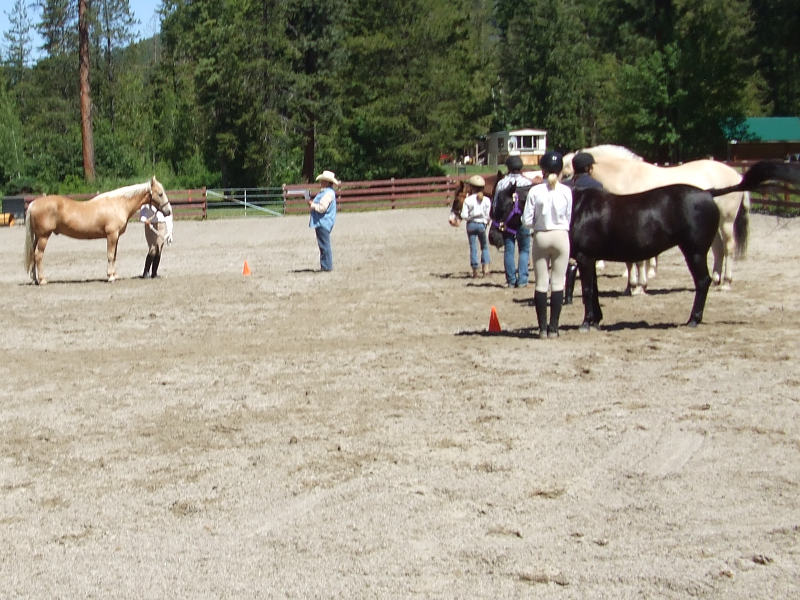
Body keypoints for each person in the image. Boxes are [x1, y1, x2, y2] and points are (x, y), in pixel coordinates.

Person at [522, 151, 572, 338]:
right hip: (561, 236)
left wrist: (537, 223)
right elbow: (568, 217)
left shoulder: (535, 191)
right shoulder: (566, 191)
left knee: (541, 283)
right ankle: (554, 328)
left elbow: (527, 220)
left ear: (542, 170)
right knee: (558, 282)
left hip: (541, 235)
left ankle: (542, 328)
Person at [563, 151, 603, 303]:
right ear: (589, 168)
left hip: (568, 228)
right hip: (590, 230)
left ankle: (568, 296)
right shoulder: (597, 186)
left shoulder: (565, 185)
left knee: (570, 262)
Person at [492, 155, 533, 288]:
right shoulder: (528, 183)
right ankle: (522, 279)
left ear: (508, 167)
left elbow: (495, 203)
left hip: (507, 221)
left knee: (509, 250)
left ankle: (510, 280)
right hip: (523, 220)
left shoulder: (502, 183)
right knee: (524, 250)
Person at [459, 174, 491, 278]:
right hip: (482, 225)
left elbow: (463, 215)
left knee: (473, 247)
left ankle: (475, 271)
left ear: (472, 187)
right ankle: (485, 269)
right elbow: (488, 215)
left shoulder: (468, 200)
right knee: (484, 247)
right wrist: (485, 221)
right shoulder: (486, 200)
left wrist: (469, 218)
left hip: (471, 225)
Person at [308, 170, 339, 271]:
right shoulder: (329, 193)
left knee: (324, 245)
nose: (320, 183)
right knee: (324, 244)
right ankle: (326, 265)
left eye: (322, 181)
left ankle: (326, 266)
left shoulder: (328, 194)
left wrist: (312, 205)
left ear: (326, 182)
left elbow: (322, 208)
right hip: (325, 222)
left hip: (323, 222)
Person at [140, 201, 174, 278]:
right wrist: (145, 220)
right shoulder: (147, 203)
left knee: (159, 249)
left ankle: (154, 272)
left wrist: (170, 231)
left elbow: (169, 215)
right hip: (150, 226)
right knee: (153, 249)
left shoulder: (164, 202)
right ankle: (146, 271)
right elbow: (142, 214)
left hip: (162, 225)